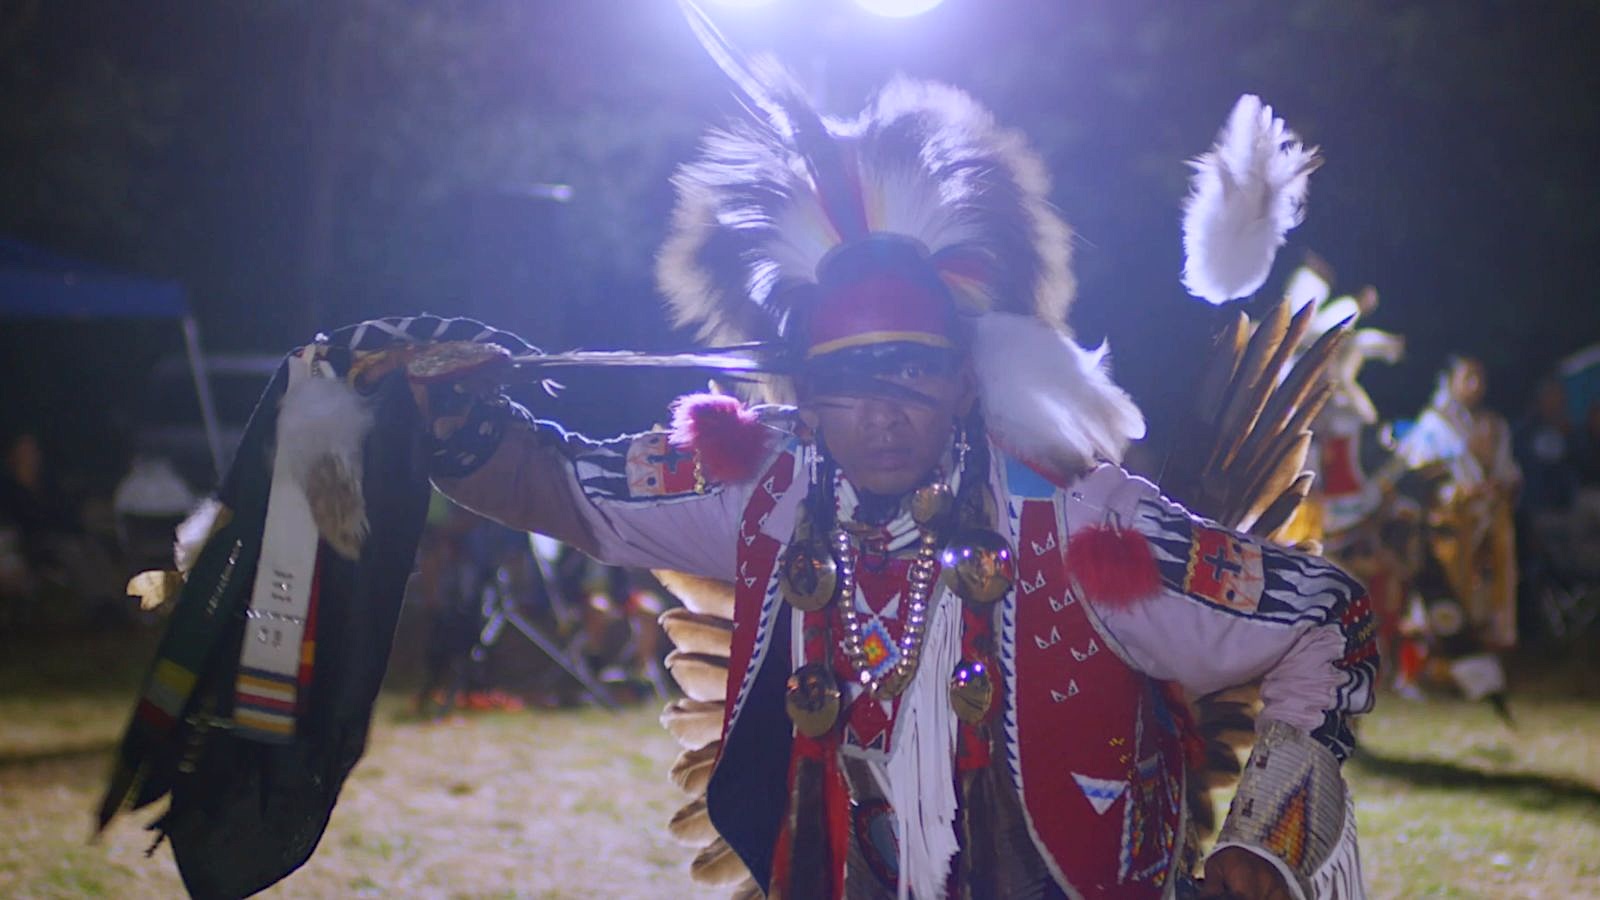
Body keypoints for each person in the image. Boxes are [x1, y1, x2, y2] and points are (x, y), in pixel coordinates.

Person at [416, 74, 1375, 900]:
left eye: (910, 378)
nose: (880, 416)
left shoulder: (1079, 520)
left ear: (964, 381)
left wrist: (1266, 837)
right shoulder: (770, 488)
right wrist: (450, 421)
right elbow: (559, 487)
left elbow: (1324, 614)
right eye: (846, 387)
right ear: (803, 400)